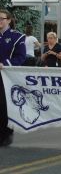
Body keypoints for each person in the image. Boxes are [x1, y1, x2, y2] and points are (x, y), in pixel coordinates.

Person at [0, 9, 26, 146]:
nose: (0, 21)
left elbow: (21, 58)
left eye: (1, 18)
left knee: (4, 106)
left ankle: (6, 134)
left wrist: (4, 64)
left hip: (7, 76)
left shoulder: (18, 37)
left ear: (8, 20)